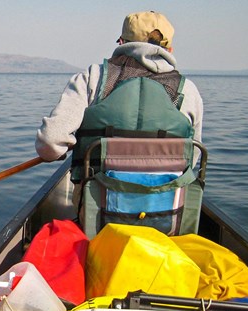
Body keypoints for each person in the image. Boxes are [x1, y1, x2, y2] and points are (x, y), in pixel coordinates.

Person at [35, 11, 203, 208]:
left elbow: (49, 143)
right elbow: (192, 157)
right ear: (170, 49)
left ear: (122, 42)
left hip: (97, 213)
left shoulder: (93, 78)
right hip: (166, 213)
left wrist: (61, 151)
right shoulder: (188, 91)